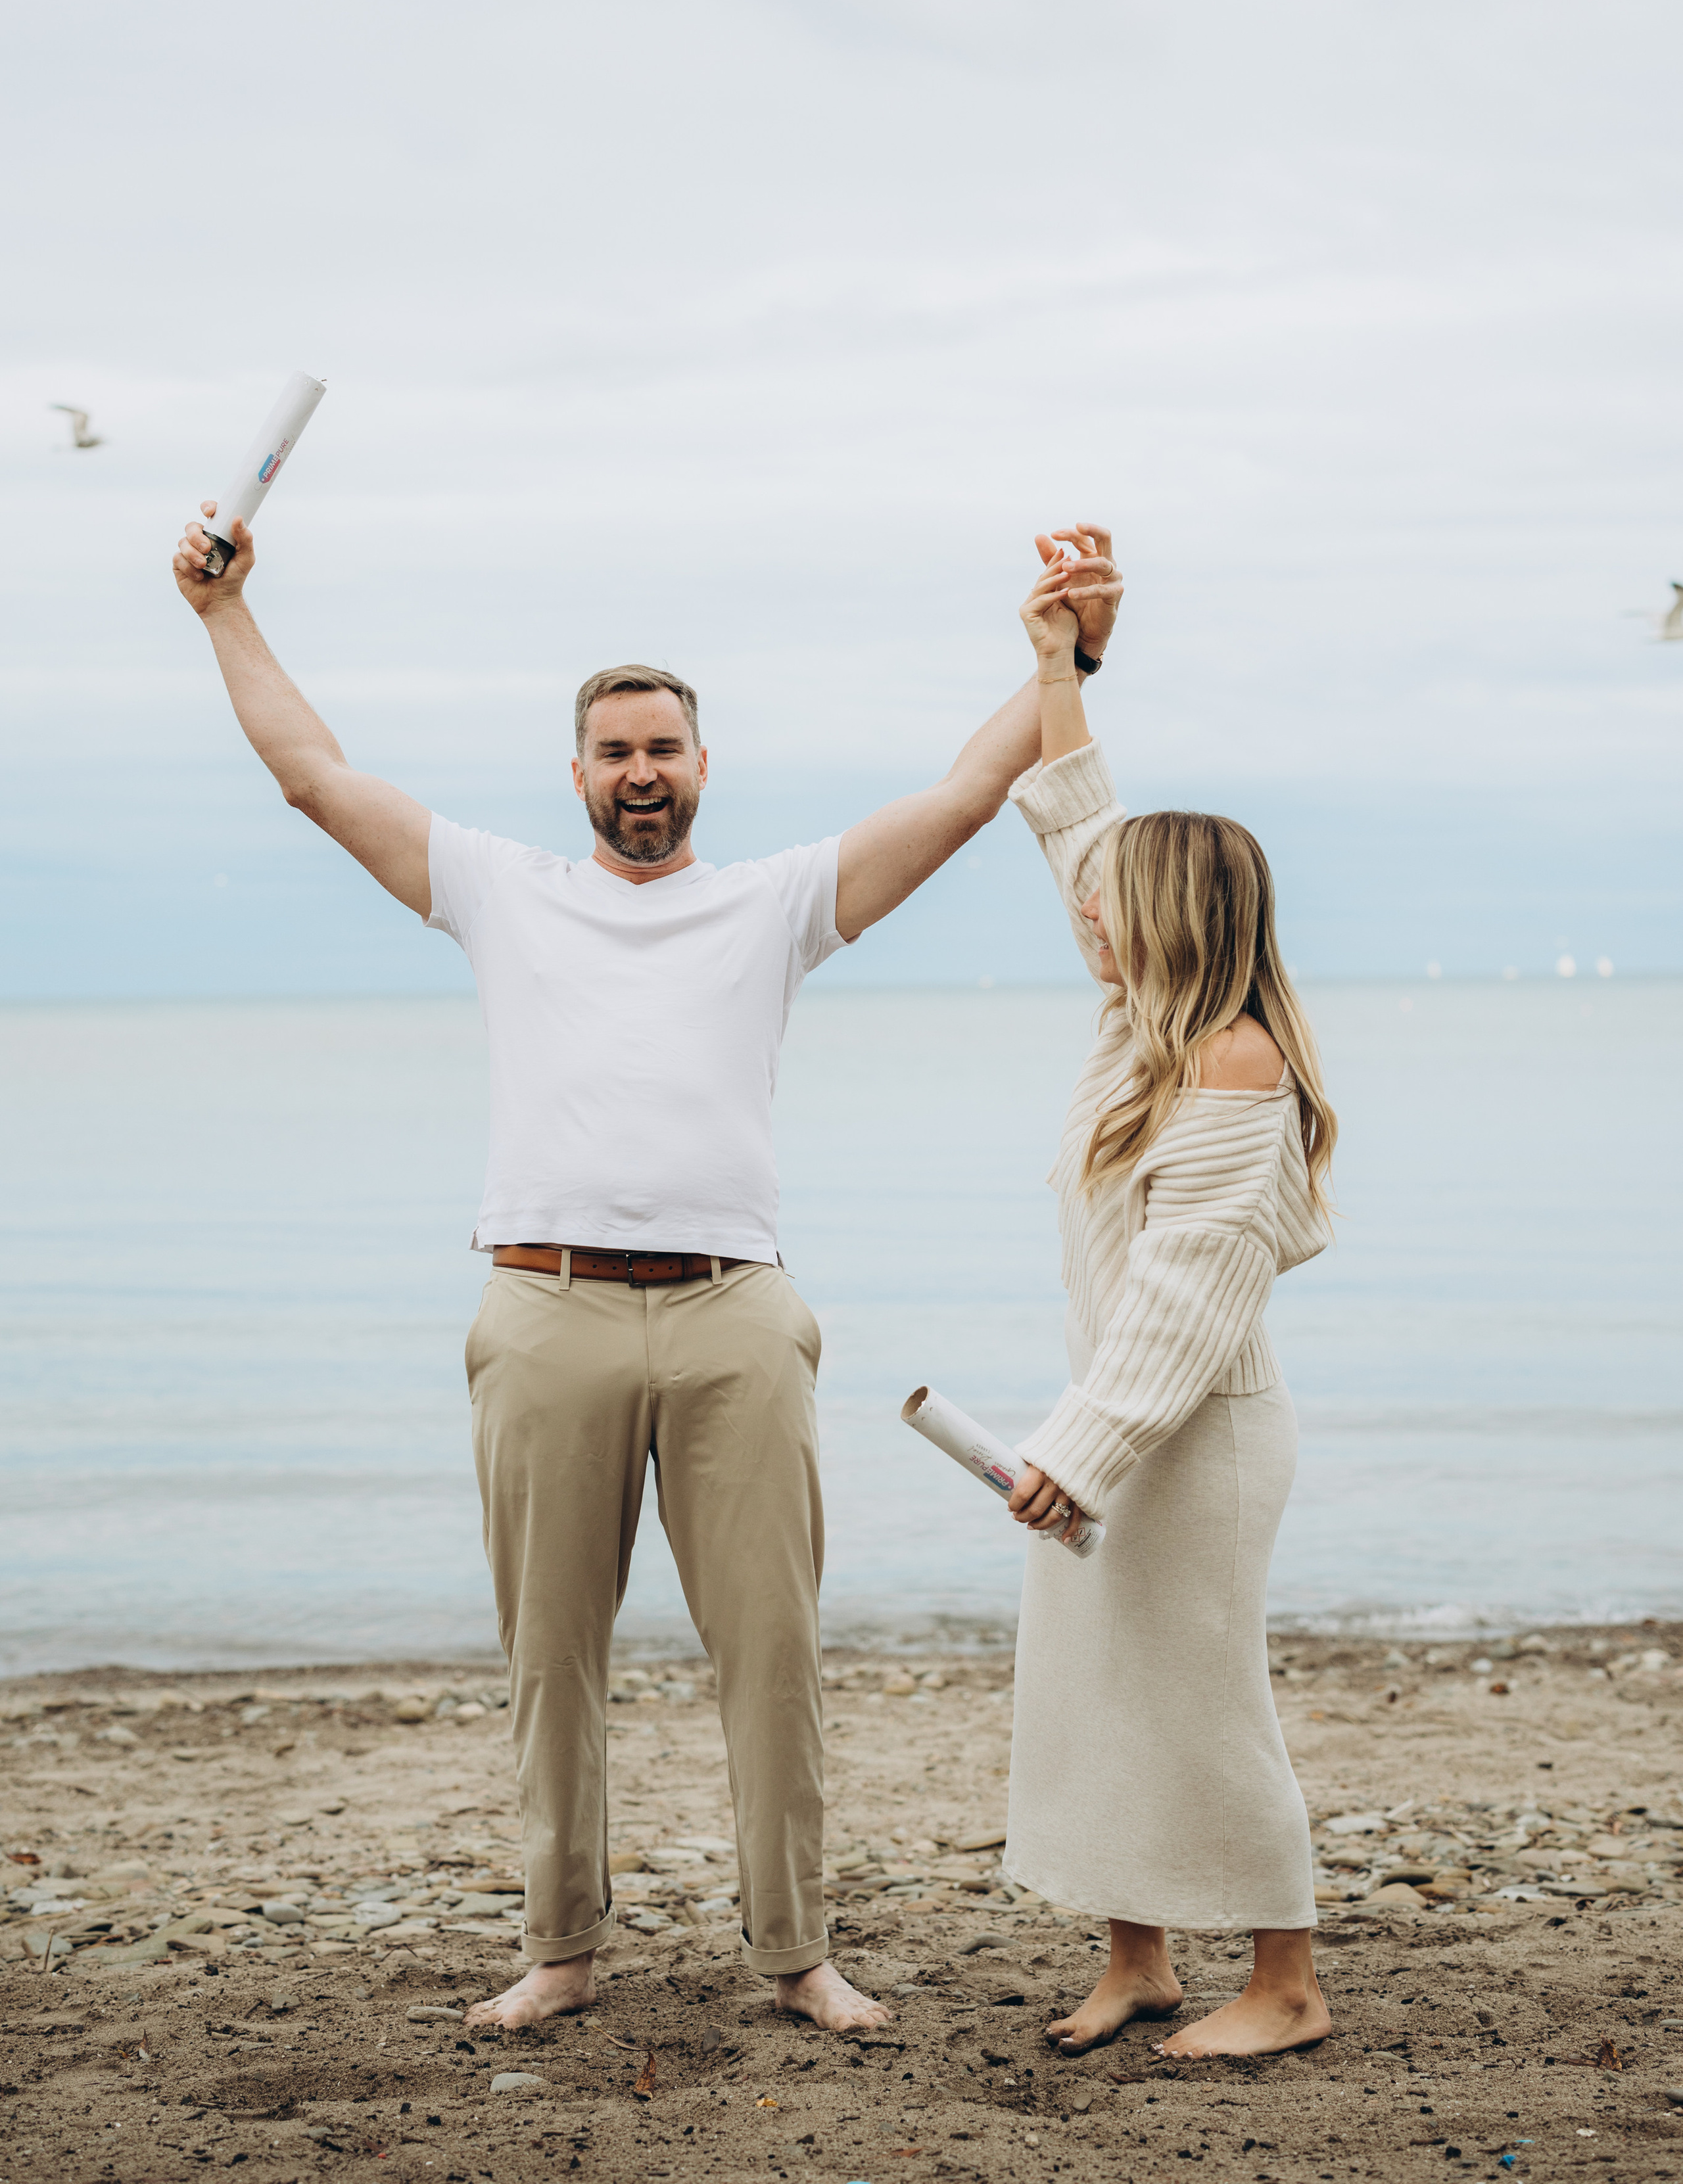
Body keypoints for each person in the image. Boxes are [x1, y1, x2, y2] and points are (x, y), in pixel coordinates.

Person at [171, 500, 1121, 2035]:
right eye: (613, 751)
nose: (638, 773)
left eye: (662, 749)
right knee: (553, 1659)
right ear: (577, 775)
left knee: (774, 1654)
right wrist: (224, 615)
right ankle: (561, 1949)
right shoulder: (498, 889)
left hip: (733, 1312)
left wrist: (1068, 653)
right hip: (541, 1309)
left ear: (698, 767)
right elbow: (313, 776)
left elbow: (958, 797)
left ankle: (796, 1951)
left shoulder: (771, 903)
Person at [1000, 545, 1339, 2060]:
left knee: (1198, 1706)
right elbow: (1079, 827)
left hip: (1190, 1440)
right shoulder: (1140, 1026)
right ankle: (1134, 1958)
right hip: (1112, 1422)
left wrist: (1076, 1451)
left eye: (1112, 907)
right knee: (1092, 1700)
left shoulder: (1231, 1060)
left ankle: (1284, 1984)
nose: (1084, 915)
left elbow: (1187, 1305)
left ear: (1178, 920)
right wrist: (1060, 665)